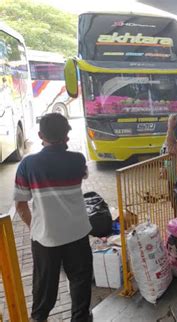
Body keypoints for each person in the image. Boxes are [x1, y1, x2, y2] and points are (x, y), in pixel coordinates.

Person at [14, 113, 92, 321]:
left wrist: (35, 226)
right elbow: (82, 175)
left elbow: (21, 205)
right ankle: (81, 318)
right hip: (77, 233)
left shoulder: (28, 165)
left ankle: (39, 318)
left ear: (40, 135)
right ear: (67, 134)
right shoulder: (78, 160)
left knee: (44, 287)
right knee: (80, 281)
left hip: (45, 237)